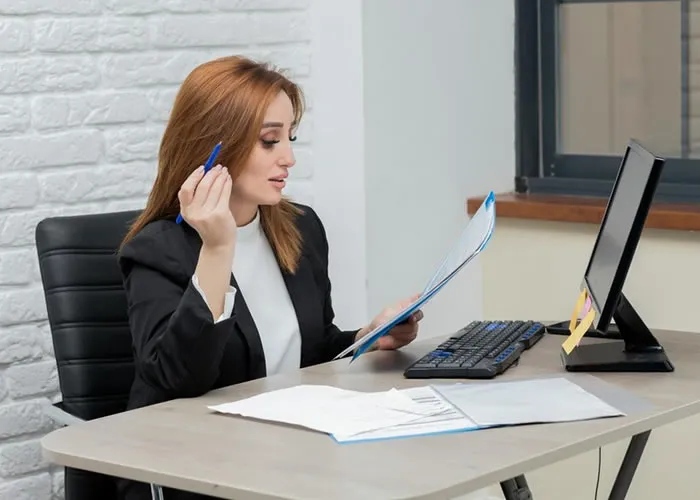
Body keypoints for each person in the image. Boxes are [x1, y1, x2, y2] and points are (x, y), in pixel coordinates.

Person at [116, 55, 423, 500]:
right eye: (269, 141)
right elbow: (180, 380)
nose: (290, 158)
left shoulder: (301, 228)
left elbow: (306, 353)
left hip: (287, 456)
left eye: (290, 138)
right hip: (191, 471)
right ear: (213, 147)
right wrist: (218, 249)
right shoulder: (156, 250)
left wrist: (368, 337)